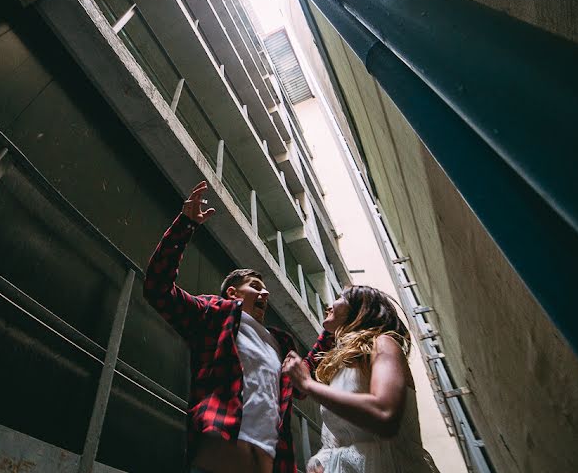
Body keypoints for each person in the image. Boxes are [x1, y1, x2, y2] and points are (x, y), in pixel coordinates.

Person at [144, 181, 333, 473]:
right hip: (221, 452)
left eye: (264, 290)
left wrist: (330, 333)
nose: (264, 294)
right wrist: (185, 226)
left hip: (273, 461)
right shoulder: (214, 314)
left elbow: (302, 382)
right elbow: (158, 289)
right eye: (255, 287)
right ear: (233, 293)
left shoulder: (280, 343)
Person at [280, 285, 440, 472]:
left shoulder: (383, 343)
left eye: (339, 297)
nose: (328, 306)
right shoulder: (339, 369)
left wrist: (307, 384)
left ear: (360, 309)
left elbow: (384, 413)